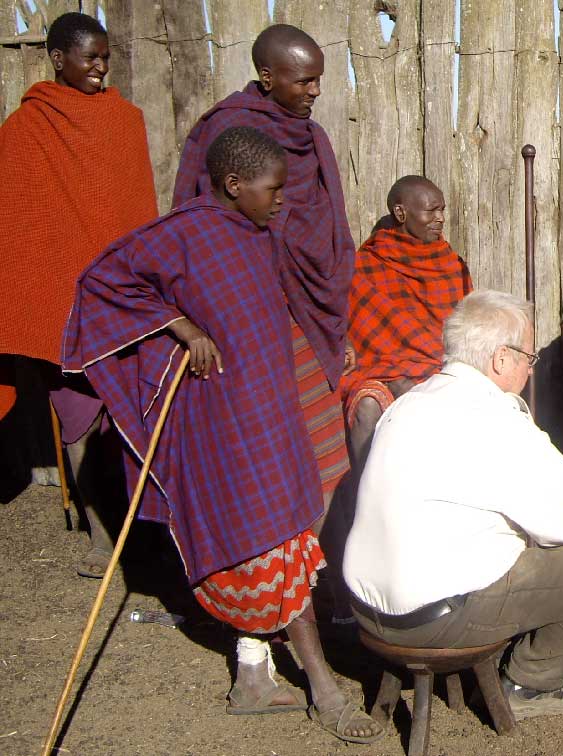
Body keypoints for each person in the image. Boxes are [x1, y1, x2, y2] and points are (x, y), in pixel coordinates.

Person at [62, 127, 382, 743]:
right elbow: (101, 281)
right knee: (267, 537)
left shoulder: (255, 232)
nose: (282, 200)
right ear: (233, 185)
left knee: (280, 529)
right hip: (223, 417)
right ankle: (323, 687)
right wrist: (178, 324)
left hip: (270, 404)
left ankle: (252, 671)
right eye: (272, 189)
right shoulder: (182, 234)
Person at [343, 290, 563, 720]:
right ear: (501, 358)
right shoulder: (497, 420)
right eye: (528, 358)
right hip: (433, 619)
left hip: (366, 610)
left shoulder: (408, 404)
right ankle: (530, 684)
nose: (528, 369)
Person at [0, 11, 158, 576]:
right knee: (78, 418)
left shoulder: (124, 122)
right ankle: (98, 531)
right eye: (89, 57)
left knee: (131, 412)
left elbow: (132, 221)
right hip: (60, 305)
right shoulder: (24, 131)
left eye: (105, 57)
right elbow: (20, 226)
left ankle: (142, 527)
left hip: (120, 302)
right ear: (57, 58)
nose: (99, 67)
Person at [173, 23, 355, 510]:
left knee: (323, 444)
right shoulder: (227, 130)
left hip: (308, 313)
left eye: (318, 79)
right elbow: (200, 232)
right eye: (303, 81)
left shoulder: (312, 137)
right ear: (267, 76)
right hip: (248, 314)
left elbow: (326, 228)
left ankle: (318, 567)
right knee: (266, 447)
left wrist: (338, 326)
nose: (315, 91)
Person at [343, 175, 471, 470]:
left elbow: (465, 330)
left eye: (442, 210)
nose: (440, 218)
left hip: (439, 366)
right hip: (377, 370)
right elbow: (357, 329)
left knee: (428, 399)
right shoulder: (367, 264)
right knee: (366, 406)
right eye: (431, 211)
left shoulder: (451, 264)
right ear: (401, 213)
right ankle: (370, 498)